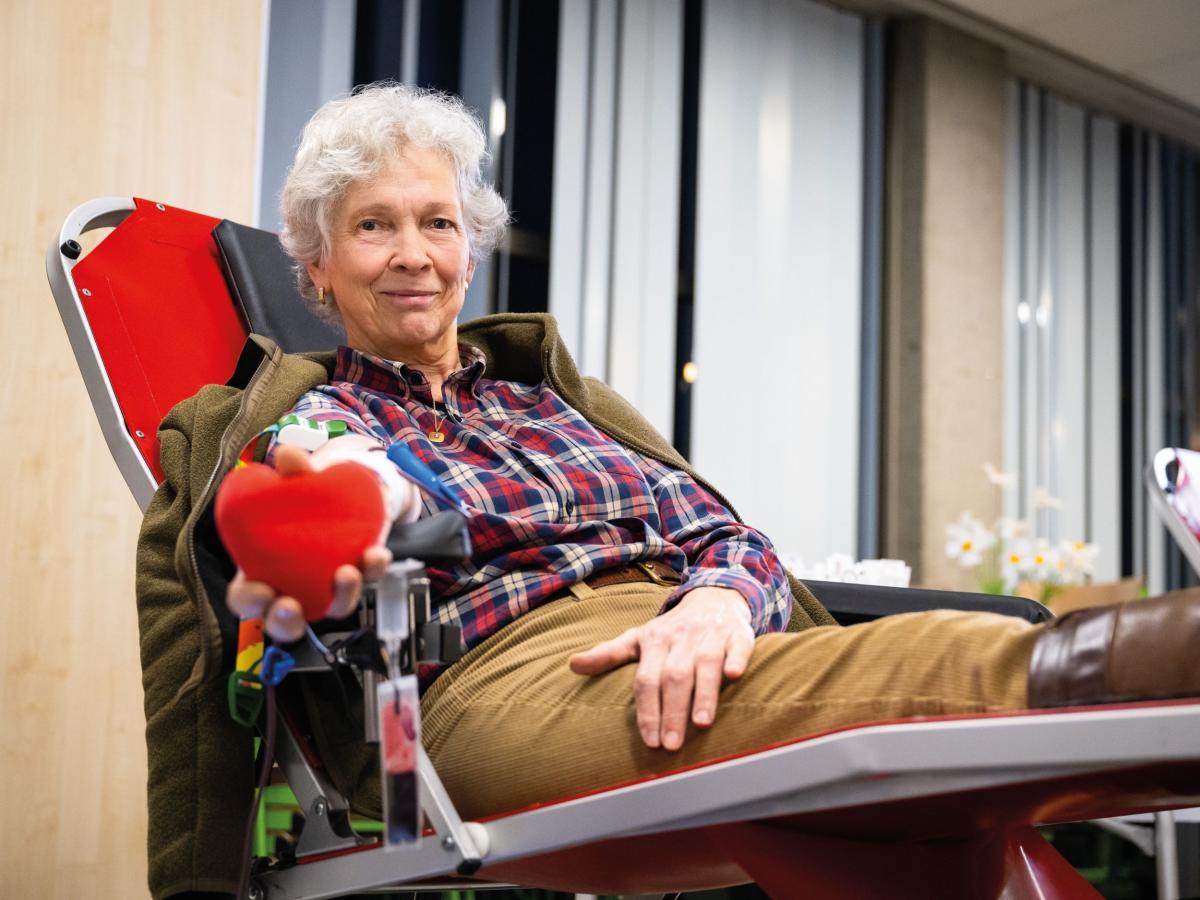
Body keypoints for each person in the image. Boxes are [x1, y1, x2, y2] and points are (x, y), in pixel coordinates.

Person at [136, 83, 1200, 900]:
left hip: (689, 639)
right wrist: (332, 541)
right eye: (374, 227)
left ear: (472, 248)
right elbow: (313, 524)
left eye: (440, 223)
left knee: (940, 812)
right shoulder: (312, 427)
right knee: (911, 687)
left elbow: (726, 532)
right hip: (500, 686)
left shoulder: (561, 405)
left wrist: (720, 599)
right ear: (315, 266)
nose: (414, 255)